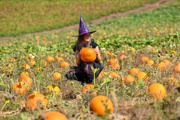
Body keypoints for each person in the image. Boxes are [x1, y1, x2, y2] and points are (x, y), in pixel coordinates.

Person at [65, 15, 104, 85]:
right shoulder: (77, 47)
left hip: (94, 65)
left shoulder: (94, 44)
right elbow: (77, 63)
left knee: (88, 68)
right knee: (69, 74)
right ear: (81, 36)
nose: (88, 36)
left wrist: (97, 54)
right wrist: (79, 56)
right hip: (82, 66)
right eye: (86, 35)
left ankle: (90, 83)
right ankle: (84, 82)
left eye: (89, 35)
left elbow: (99, 60)